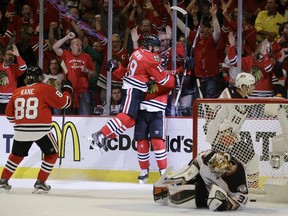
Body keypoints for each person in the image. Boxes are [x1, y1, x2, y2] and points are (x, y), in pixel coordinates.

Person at [89, 35, 176, 151]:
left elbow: (134, 72)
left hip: (135, 89)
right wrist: (173, 76)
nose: (157, 50)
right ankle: (100, 134)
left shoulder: (137, 52)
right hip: (133, 89)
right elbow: (164, 80)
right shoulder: (151, 59)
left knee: (131, 121)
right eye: (155, 47)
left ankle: (107, 138)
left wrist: (117, 69)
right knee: (126, 116)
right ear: (149, 46)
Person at [0, 66, 72, 192]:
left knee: (16, 155)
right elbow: (64, 103)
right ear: (39, 77)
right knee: (52, 154)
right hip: (41, 131)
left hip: (21, 131)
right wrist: (67, 90)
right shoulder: (45, 88)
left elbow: (9, 115)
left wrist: (21, 124)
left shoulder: (17, 91)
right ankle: (41, 181)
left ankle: (3, 180)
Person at [205, 72, 259, 188]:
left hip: (228, 137)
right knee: (225, 166)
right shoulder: (230, 99)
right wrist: (222, 135)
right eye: (252, 85)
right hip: (223, 139)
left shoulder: (237, 95)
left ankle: (251, 187)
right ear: (244, 87)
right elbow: (216, 117)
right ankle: (252, 189)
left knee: (224, 166)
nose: (254, 87)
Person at [153, 149, 249, 211]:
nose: (212, 172)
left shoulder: (238, 178)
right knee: (188, 175)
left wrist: (225, 204)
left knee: (195, 197)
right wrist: (178, 179)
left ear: (225, 170)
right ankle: (166, 187)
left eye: (215, 171)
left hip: (211, 194)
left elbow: (241, 201)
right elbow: (193, 164)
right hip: (202, 180)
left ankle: (170, 196)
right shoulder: (209, 156)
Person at [53, 31, 96, 115]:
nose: (79, 47)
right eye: (77, 45)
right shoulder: (66, 54)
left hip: (83, 92)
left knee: (85, 117)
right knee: (66, 117)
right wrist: (67, 37)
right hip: (68, 91)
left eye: (80, 45)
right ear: (71, 46)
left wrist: (87, 71)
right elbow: (55, 47)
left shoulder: (86, 56)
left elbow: (94, 73)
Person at [0, 44, 27, 114]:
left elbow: (24, 67)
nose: (11, 56)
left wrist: (17, 55)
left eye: (12, 55)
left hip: (10, 101)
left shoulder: (15, 68)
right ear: (3, 56)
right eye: (9, 54)